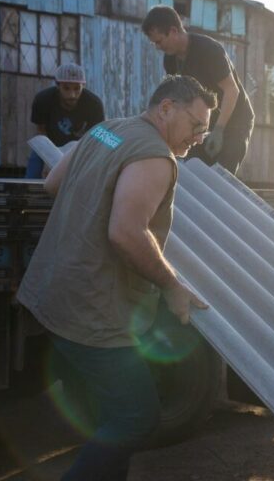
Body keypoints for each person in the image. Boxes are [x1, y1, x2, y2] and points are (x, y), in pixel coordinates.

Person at [16, 75, 217, 480]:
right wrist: (172, 285)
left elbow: (53, 183)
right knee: (135, 418)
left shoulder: (106, 131)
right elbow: (126, 232)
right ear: (166, 109)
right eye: (197, 125)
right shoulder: (156, 156)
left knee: (114, 416)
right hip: (95, 312)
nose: (200, 137)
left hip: (55, 293)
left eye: (206, 130)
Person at [142, 5, 255, 174]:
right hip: (204, 124)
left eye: (159, 41)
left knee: (221, 177)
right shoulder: (170, 60)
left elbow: (232, 91)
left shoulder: (209, 50)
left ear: (173, 31)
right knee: (193, 171)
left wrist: (218, 131)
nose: (158, 47)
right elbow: (176, 98)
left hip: (234, 122)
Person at [25, 63, 105, 178]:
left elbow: (99, 135)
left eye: (77, 88)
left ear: (83, 86)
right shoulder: (43, 99)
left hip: (80, 148)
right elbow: (41, 131)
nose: (72, 94)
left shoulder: (94, 104)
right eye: (66, 88)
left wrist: (115, 144)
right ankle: (28, 191)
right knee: (34, 165)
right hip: (51, 144)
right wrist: (48, 158)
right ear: (58, 86)